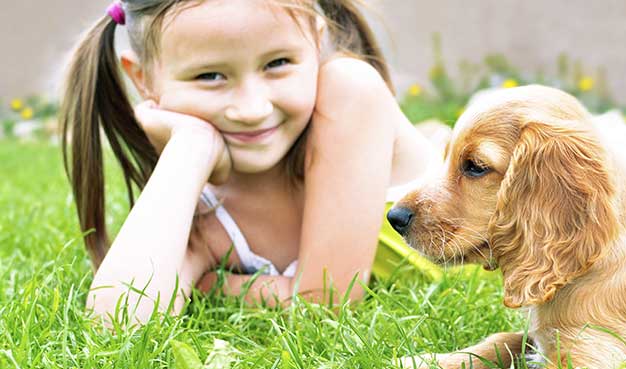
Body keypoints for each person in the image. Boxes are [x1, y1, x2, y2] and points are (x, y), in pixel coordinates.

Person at [60, 0, 442, 325]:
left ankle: (433, 133)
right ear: (143, 80)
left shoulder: (350, 90)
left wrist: (209, 284)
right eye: (209, 76)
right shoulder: (202, 213)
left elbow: (326, 302)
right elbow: (118, 321)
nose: (252, 109)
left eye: (277, 63)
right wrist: (190, 147)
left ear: (316, 37)